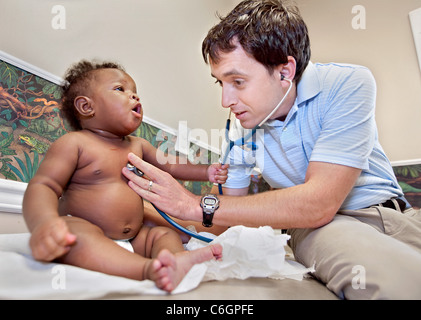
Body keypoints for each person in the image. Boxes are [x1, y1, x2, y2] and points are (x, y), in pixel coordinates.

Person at [123, 0, 421, 299]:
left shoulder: (348, 83)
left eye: (237, 81)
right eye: (221, 83)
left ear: (285, 72)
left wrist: (192, 203)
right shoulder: (241, 132)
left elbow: (319, 197)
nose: (225, 100)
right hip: (325, 227)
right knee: (402, 284)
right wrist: (152, 211)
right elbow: (233, 221)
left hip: (403, 216)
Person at [22, 60, 226, 292]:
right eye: (121, 89)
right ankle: (147, 270)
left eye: (135, 92)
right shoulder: (74, 143)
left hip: (135, 237)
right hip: (88, 230)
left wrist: (207, 171)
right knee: (73, 235)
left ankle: (172, 263)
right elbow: (44, 185)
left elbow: (171, 166)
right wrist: (44, 224)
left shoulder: (138, 145)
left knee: (163, 234)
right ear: (86, 107)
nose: (135, 97)